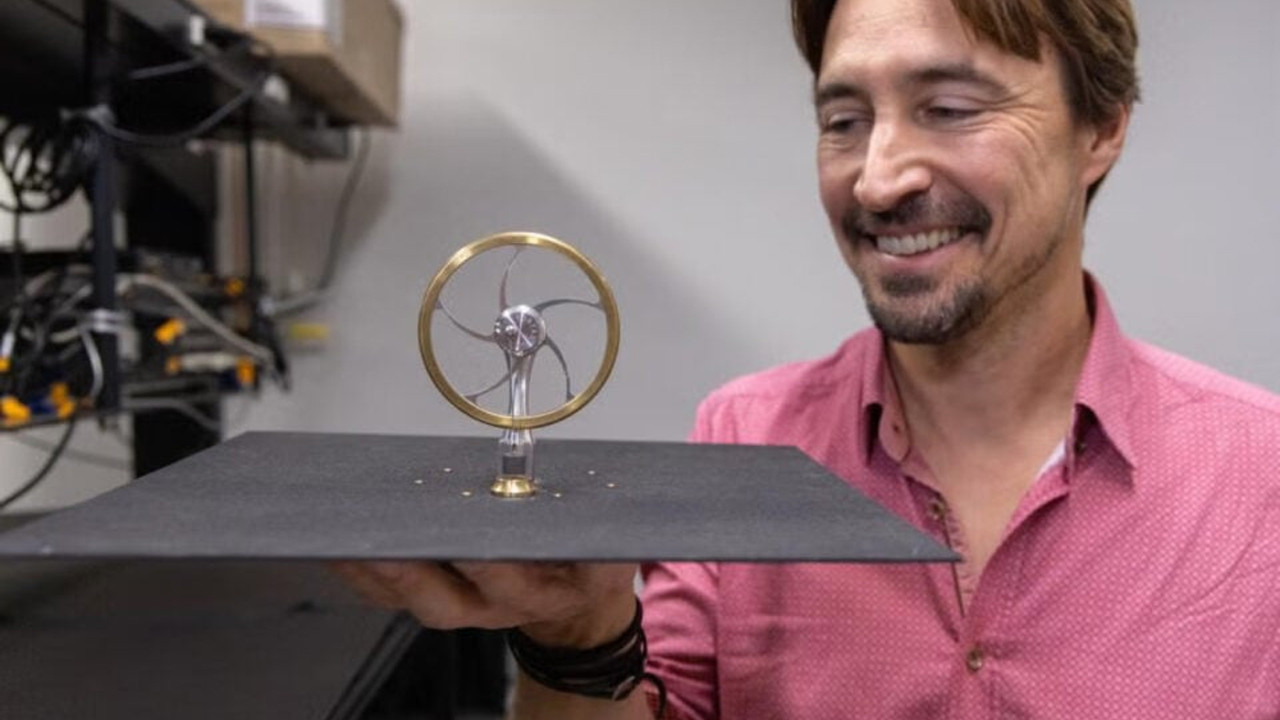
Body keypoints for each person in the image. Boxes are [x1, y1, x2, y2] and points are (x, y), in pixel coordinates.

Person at [335, 0, 1280, 717]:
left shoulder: (1259, 477)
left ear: (1101, 128)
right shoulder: (746, 438)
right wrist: (577, 637)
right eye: (844, 121)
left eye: (950, 108)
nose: (877, 178)